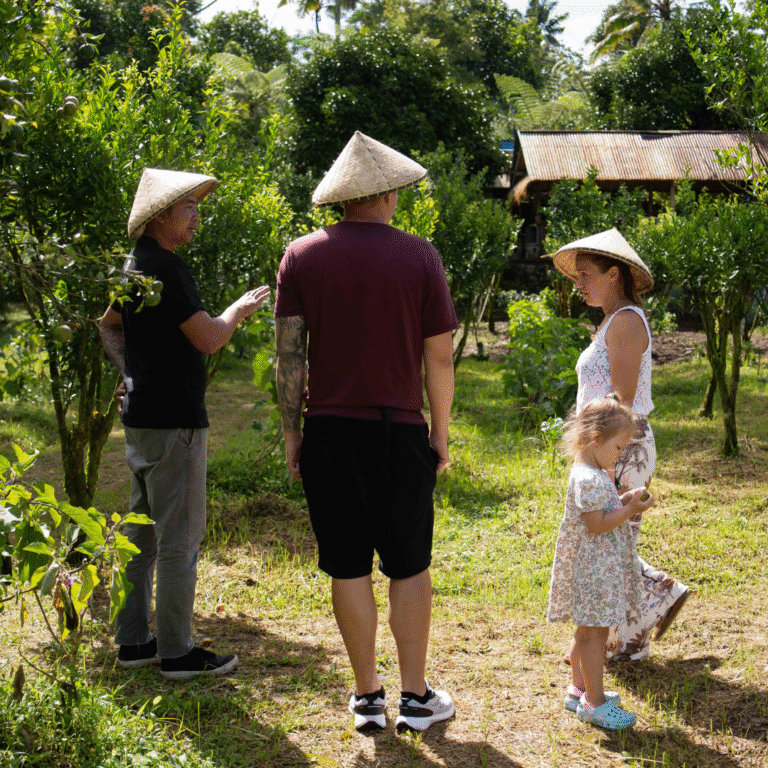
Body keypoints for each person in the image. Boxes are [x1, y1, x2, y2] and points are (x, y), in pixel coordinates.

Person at [274, 132, 458, 733]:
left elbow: (289, 356)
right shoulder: (420, 257)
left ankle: (367, 698)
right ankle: (416, 698)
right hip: (397, 431)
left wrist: (293, 433)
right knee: (409, 566)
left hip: (327, 431)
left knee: (347, 566)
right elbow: (439, 358)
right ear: (383, 194)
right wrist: (441, 435)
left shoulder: (301, 256)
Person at [100, 168, 270, 679]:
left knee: (140, 536)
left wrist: (129, 373)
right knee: (179, 539)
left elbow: (108, 327)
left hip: (141, 420)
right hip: (175, 422)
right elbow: (210, 338)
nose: (197, 216)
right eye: (188, 207)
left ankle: (133, 641)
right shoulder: (167, 269)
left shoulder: (132, 265)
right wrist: (237, 310)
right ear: (160, 216)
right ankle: (177, 652)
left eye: (197, 206)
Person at [551, 228, 689, 661]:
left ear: (614, 274)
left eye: (586, 274)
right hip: (606, 444)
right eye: (576, 275)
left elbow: (622, 400)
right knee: (609, 543)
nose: (578, 283)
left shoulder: (626, 321)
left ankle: (646, 611)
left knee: (610, 542)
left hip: (620, 444)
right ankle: (627, 635)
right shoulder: (613, 320)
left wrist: (603, 459)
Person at [547, 394, 653, 730]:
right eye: (619, 447)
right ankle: (595, 703)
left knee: (585, 632)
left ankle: (578, 690)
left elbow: (599, 510)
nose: (621, 454)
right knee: (595, 637)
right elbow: (597, 524)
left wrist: (622, 500)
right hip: (594, 572)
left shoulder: (590, 472)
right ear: (596, 439)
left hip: (590, 569)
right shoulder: (589, 478)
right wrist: (630, 510)